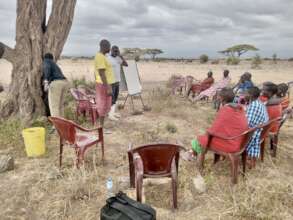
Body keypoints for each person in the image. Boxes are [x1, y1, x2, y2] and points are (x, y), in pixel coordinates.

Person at [183, 88, 249, 164]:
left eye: (219, 97)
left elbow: (214, 130)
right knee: (206, 136)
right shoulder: (239, 108)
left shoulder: (226, 110)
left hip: (231, 144)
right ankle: (192, 153)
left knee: (200, 139)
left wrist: (208, 133)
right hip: (239, 140)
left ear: (222, 99)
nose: (218, 98)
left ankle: (191, 154)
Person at [244, 87, 269, 168]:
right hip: (259, 130)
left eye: (246, 93)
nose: (244, 95)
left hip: (253, 133)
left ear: (250, 95)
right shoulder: (259, 103)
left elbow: (246, 123)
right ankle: (251, 160)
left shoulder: (254, 105)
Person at [94, 39, 115, 127]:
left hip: (104, 84)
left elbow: (96, 72)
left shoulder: (102, 56)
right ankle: (101, 126)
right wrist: (108, 87)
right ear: (104, 46)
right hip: (104, 85)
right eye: (109, 47)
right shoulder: (100, 57)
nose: (110, 49)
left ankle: (102, 125)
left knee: (106, 104)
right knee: (103, 104)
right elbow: (101, 73)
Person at [42, 53, 68, 117]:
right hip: (65, 82)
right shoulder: (54, 64)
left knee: (54, 106)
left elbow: (47, 69)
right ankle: (62, 123)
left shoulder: (47, 61)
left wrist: (46, 82)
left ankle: (57, 125)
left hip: (56, 84)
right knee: (60, 106)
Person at [106, 45, 128, 121]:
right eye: (114, 51)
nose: (115, 52)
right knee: (111, 99)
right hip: (110, 82)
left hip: (117, 82)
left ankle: (112, 113)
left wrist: (120, 56)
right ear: (111, 50)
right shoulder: (108, 58)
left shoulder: (118, 58)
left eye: (117, 51)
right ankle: (110, 115)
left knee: (115, 99)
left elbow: (126, 64)